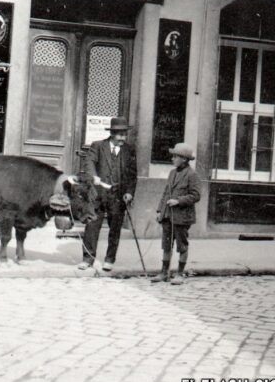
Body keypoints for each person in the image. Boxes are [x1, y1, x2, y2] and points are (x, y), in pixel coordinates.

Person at [78, 117, 137, 272]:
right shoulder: (98, 146)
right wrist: (94, 176)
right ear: (112, 134)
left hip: (118, 196)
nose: (123, 138)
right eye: (120, 135)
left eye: (125, 135)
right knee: (92, 226)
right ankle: (87, 259)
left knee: (115, 229)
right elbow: (89, 163)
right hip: (97, 195)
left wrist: (130, 192)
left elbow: (132, 175)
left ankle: (109, 260)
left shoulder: (129, 150)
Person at [151, 143, 201, 285]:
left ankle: (179, 273)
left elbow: (196, 196)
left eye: (176, 156)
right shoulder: (172, 173)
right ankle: (164, 273)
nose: (172, 159)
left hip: (182, 217)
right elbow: (166, 192)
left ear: (184, 159)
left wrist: (178, 201)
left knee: (182, 245)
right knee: (166, 245)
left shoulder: (192, 175)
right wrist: (160, 210)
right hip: (167, 215)